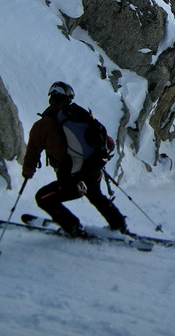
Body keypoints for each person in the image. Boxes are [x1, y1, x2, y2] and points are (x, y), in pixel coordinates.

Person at [22, 81, 128, 237]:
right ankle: (119, 225)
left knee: (43, 198)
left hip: (71, 177)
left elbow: (32, 153)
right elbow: (107, 142)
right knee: (96, 196)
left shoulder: (42, 125)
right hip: (93, 170)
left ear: (51, 98)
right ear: (69, 98)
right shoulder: (81, 116)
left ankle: (72, 227)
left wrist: (27, 172)